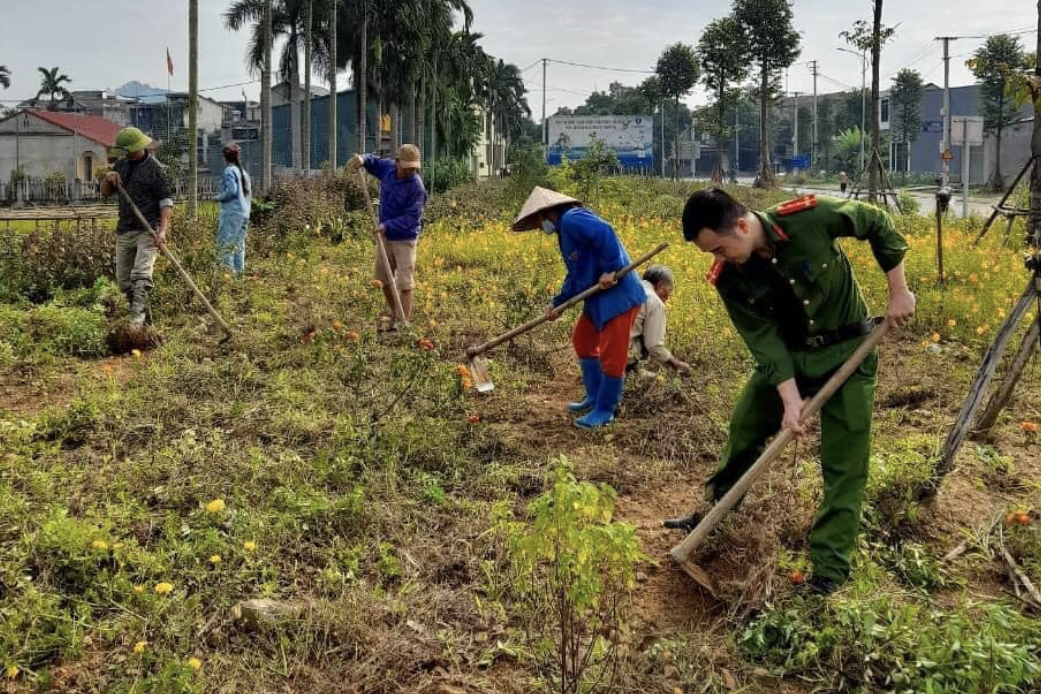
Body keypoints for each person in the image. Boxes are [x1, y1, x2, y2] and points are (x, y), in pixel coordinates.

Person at [667, 188, 915, 594]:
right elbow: (763, 340)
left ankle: (829, 572)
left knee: (844, 463)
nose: (719, 259)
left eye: (721, 248)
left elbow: (874, 221)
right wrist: (789, 398)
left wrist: (899, 290)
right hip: (791, 360)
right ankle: (714, 513)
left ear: (743, 226)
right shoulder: (728, 277)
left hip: (849, 352)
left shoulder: (808, 218)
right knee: (744, 427)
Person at [511, 186, 646, 429]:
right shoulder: (564, 233)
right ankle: (594, 396)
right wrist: (557, 303)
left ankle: (606, 408)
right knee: (583, 340)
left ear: (547, 213)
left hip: (617, 296)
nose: (541, 229)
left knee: (611, 353)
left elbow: (605, 232)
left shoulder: (573, 218)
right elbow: (577, 275)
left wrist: (611, 268)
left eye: (538, 223)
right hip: (596, 298)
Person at [101, 127, 173, 328]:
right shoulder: (121, 166)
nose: (126, 153)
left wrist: (162, 231)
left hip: (147, 229)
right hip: (124, 229)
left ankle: (136, 324)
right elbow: (105, 193)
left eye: (128, 149)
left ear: (139, 146)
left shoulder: (155, 169)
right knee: (124, 282)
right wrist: (108, 178)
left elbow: (166, 203)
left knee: (141, 276)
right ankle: (146, 322)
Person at [349, 144, 427, 328]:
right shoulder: (388, 168)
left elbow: (411, 218)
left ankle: (404, 322)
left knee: (405, 282)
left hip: (405, 238)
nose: (410, 170)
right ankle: (396, 314)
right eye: (407, 166)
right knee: (383, 279)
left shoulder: (417, 187)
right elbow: (373, 161)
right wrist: (363, 159)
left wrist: (387, 226)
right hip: (385, 235)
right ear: (398, 162)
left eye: (413, 167)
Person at [628, 265, 690, 375]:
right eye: (669, 291)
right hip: (619, 354)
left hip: (598, 349)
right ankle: (628, 367)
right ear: (661, 285)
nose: (668, 296)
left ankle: (634, 368)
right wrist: (676, 364)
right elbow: (654, 346)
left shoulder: (630, 288)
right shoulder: (654, 300)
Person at [215, 143, 252, 275]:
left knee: (225, 245)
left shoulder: (229, 170)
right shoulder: (244, 172)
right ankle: (239, 277)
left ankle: (227, 278)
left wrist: (218, 197)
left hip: (232, 213)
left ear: (224, 157)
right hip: (244, 214)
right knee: (239, 246)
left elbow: (231, 191)